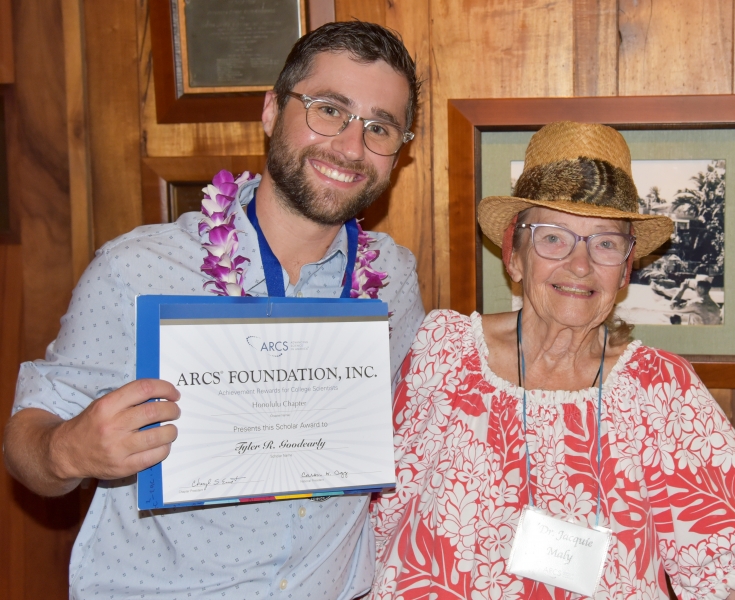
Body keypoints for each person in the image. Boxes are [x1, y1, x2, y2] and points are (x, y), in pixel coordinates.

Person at [4, 21, 425, 599]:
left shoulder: (394, 281)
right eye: (328, 110)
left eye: (379, 127)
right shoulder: (137, 268)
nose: (351, 147)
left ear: (398, 153)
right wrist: (68, 448)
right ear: (273, 111)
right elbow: (26, 441)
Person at [370, 122, 735, 599]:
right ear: (514, 255)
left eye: (605, 243)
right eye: (553, 237)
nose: (581, 264)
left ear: (626, 269)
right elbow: (373, 516)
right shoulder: (443, 353)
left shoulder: (661, 392)